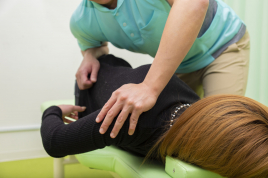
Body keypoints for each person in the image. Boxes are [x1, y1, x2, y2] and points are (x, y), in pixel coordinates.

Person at [41, 55, 268, 178]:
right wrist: (53, 111)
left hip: (121, 71)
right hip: (89, 86)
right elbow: (55, 141)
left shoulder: (200, 113)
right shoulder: (131, 121)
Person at [70, 0, 250, 138]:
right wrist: (90, 55)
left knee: (222, 132)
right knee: (174, 134)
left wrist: (149, 87)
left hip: (222, 46)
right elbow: (94, 45)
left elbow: (194, 2)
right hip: (177, 65)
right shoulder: (83, 21)